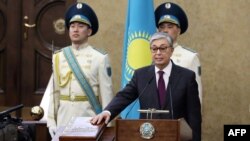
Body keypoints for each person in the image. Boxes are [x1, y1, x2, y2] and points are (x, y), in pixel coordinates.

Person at [90, 32, 202, 141]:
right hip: (147, 136)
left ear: (171, 50)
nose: (158, 52)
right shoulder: (141, 75)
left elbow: (194, 117)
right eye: (154, 49)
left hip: (176, 137)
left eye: (163, 48)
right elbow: (124, 96)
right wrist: (108, 112)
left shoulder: (186, 77)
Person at [47, 2, 114, 138]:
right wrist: (51, 121)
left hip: (88, 121)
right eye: (72, 26)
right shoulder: (58, 56)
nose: (75, 30)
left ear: (89, 31)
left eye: (80, 26)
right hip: (63, 120)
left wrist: (108, 129)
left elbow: (107, 97)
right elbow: (55, 93)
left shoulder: (100, 58)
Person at [155, 2, 203, 102]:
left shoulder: (190, 57)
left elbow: (196, 96)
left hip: (179, 115)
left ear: (179, 31)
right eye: (162, 27)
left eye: (170, 27)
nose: (165, 30)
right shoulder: (152, 54)